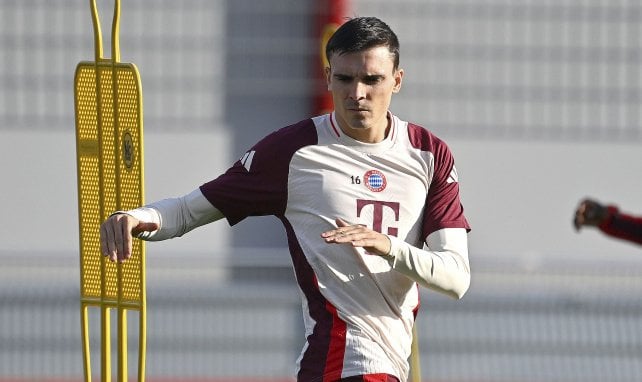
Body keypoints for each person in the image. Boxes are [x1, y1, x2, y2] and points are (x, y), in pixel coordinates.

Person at [100, 16, 471, 382]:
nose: (357, 93)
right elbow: (188, 210)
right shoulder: (293, 151)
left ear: (397, 81)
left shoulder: (428, 153)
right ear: (327, 78)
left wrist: (387, 246)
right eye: (344, 78)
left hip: (383, 363)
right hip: (347, 360)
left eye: (371, 79)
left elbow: (456, 278)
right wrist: (137, 217)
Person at [573, 198, 642, 246]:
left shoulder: (608, 223)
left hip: (611, 221)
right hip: (611, 221)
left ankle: (592, 213)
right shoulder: (608, 223)